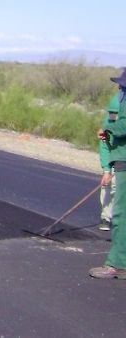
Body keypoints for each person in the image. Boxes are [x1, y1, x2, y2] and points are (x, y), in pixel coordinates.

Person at [90, 68, 126, 279]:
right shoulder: (118, 101)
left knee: (121, 214)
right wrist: (106, 166)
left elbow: (115, 127)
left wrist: (110, 130)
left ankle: (118, 264)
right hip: (119, 159)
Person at [98, 94, 120, 231]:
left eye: (116, 114)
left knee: (118, 187)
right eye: (111, 114)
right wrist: (106, 170)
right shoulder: (108, 124)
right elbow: (105, 146)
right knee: (108, 185)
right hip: (113, 157)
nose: (113, 117)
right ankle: (106, 217)